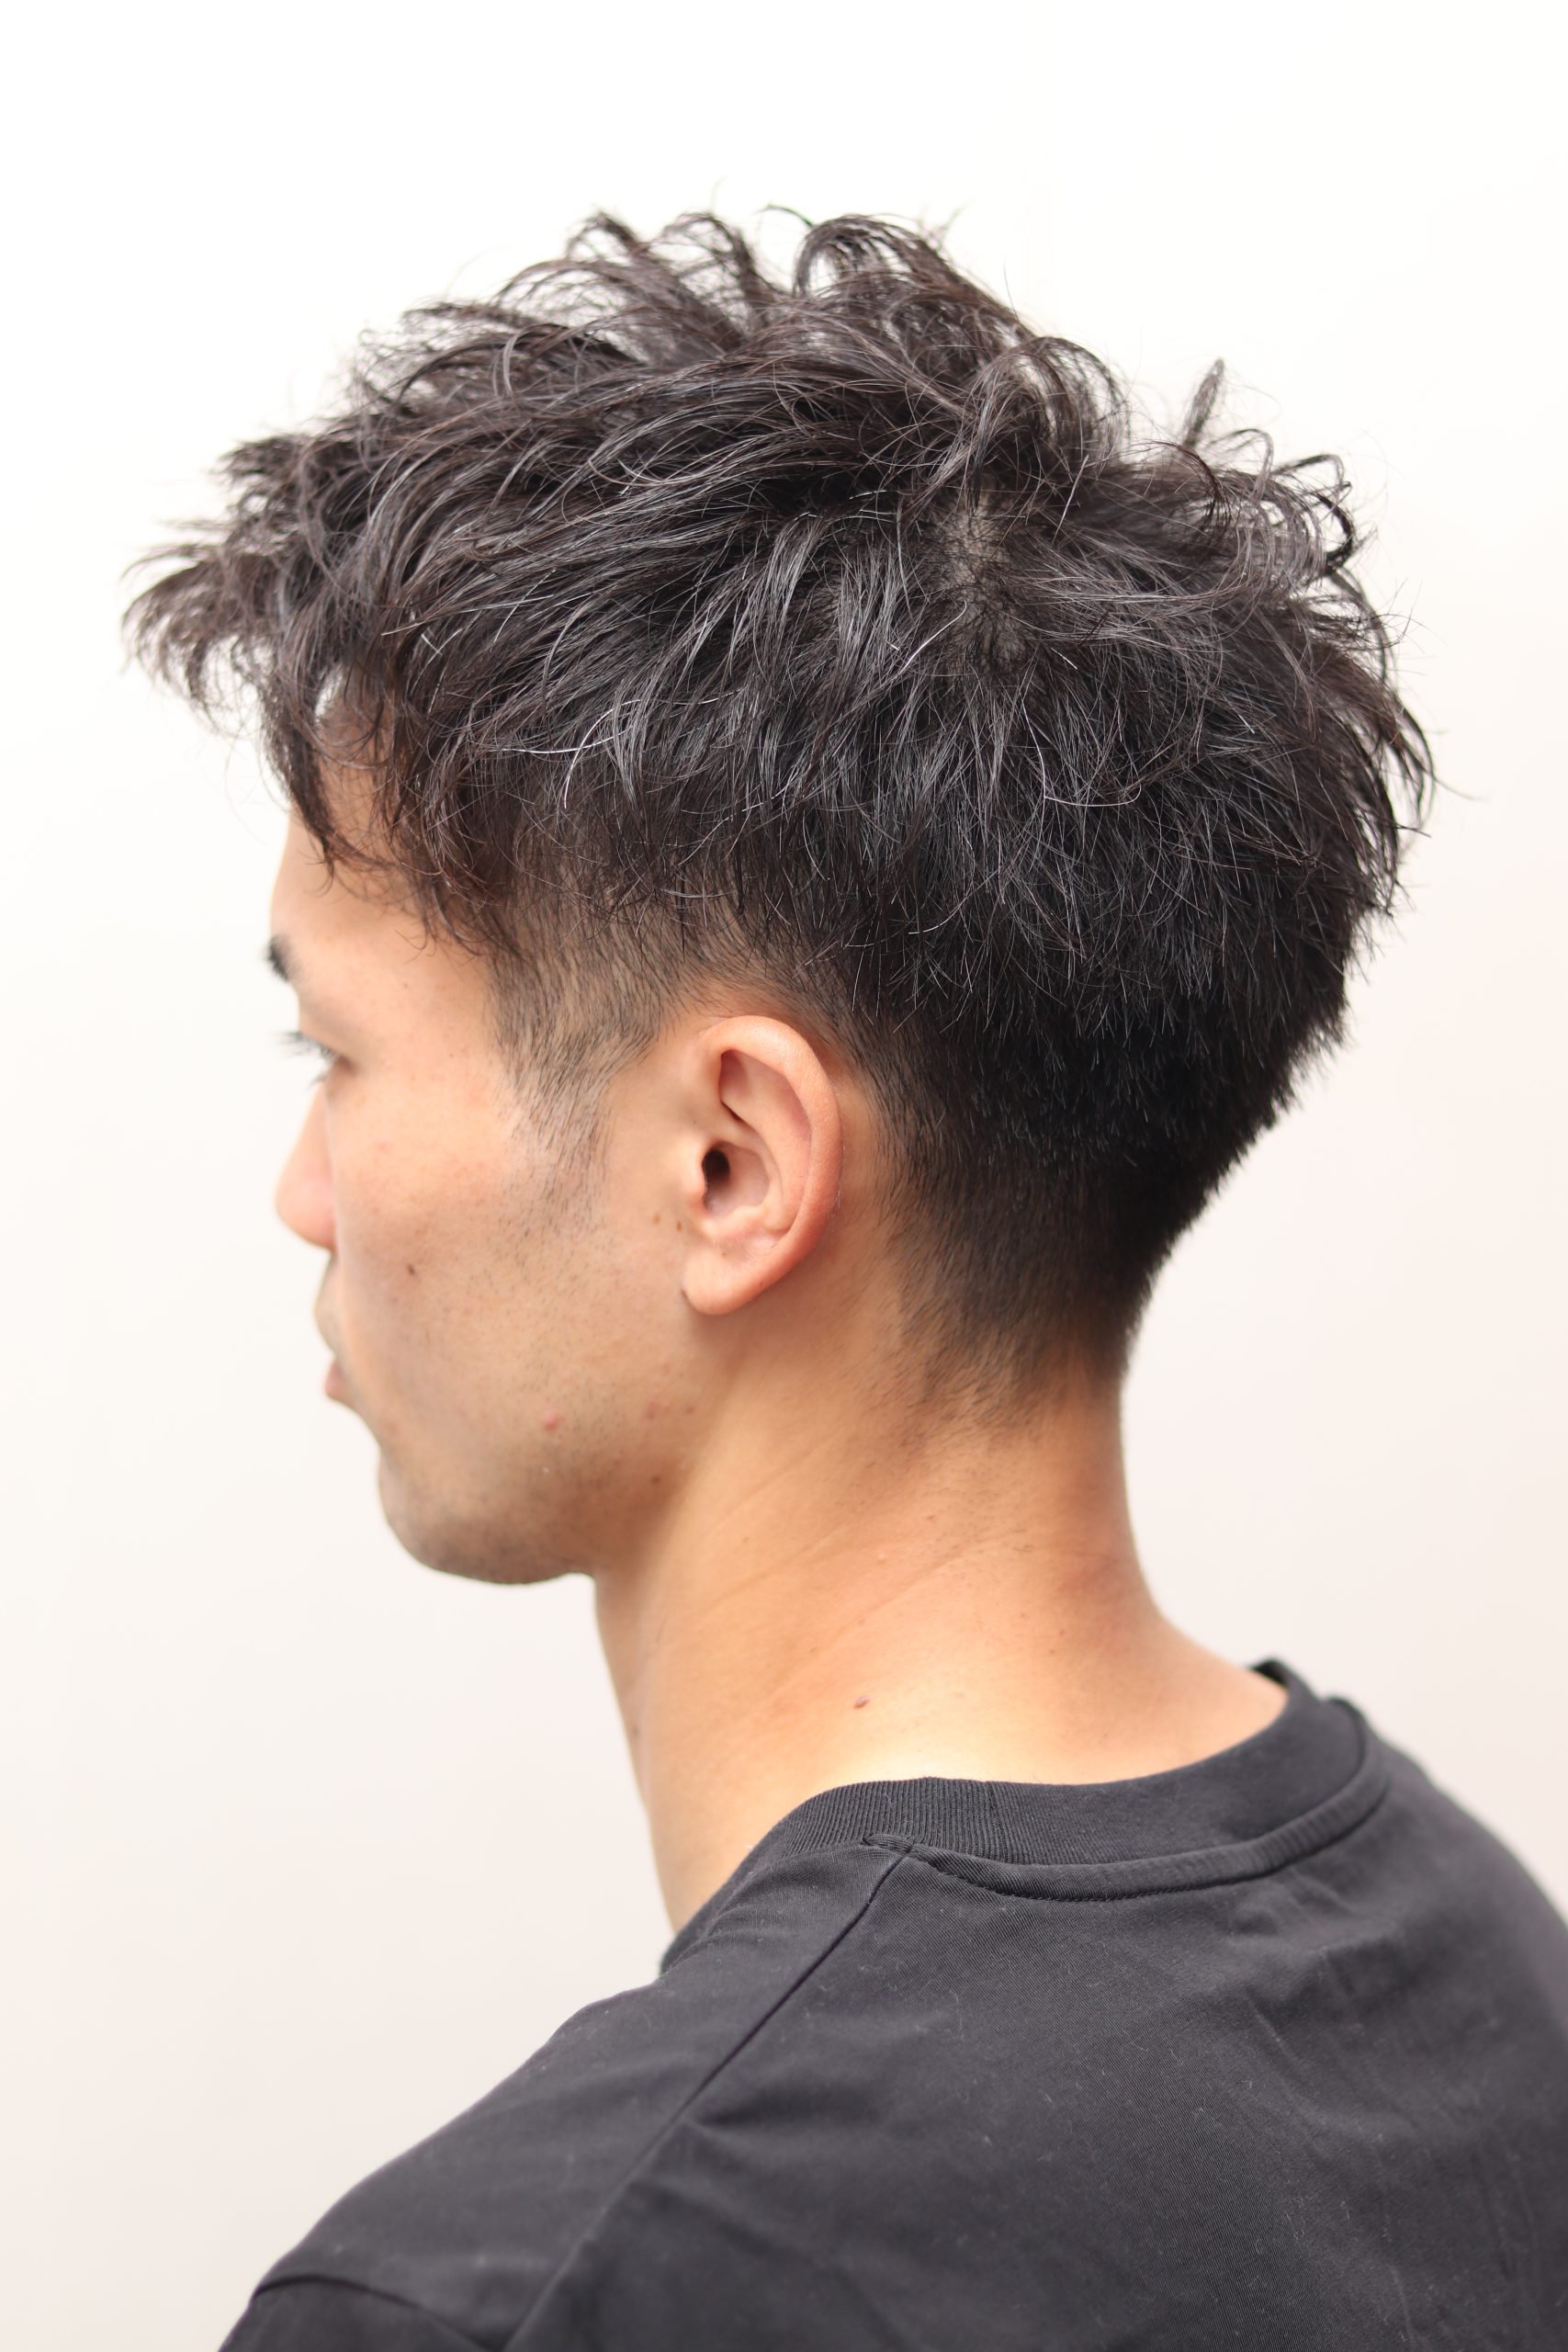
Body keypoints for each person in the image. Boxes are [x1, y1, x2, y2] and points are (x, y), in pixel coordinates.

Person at [130, 210, 1568, 2350]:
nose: (301, 1194)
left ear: (730, 1160)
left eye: (334, 1054)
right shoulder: (1478, 1964)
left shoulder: (517, 2296)